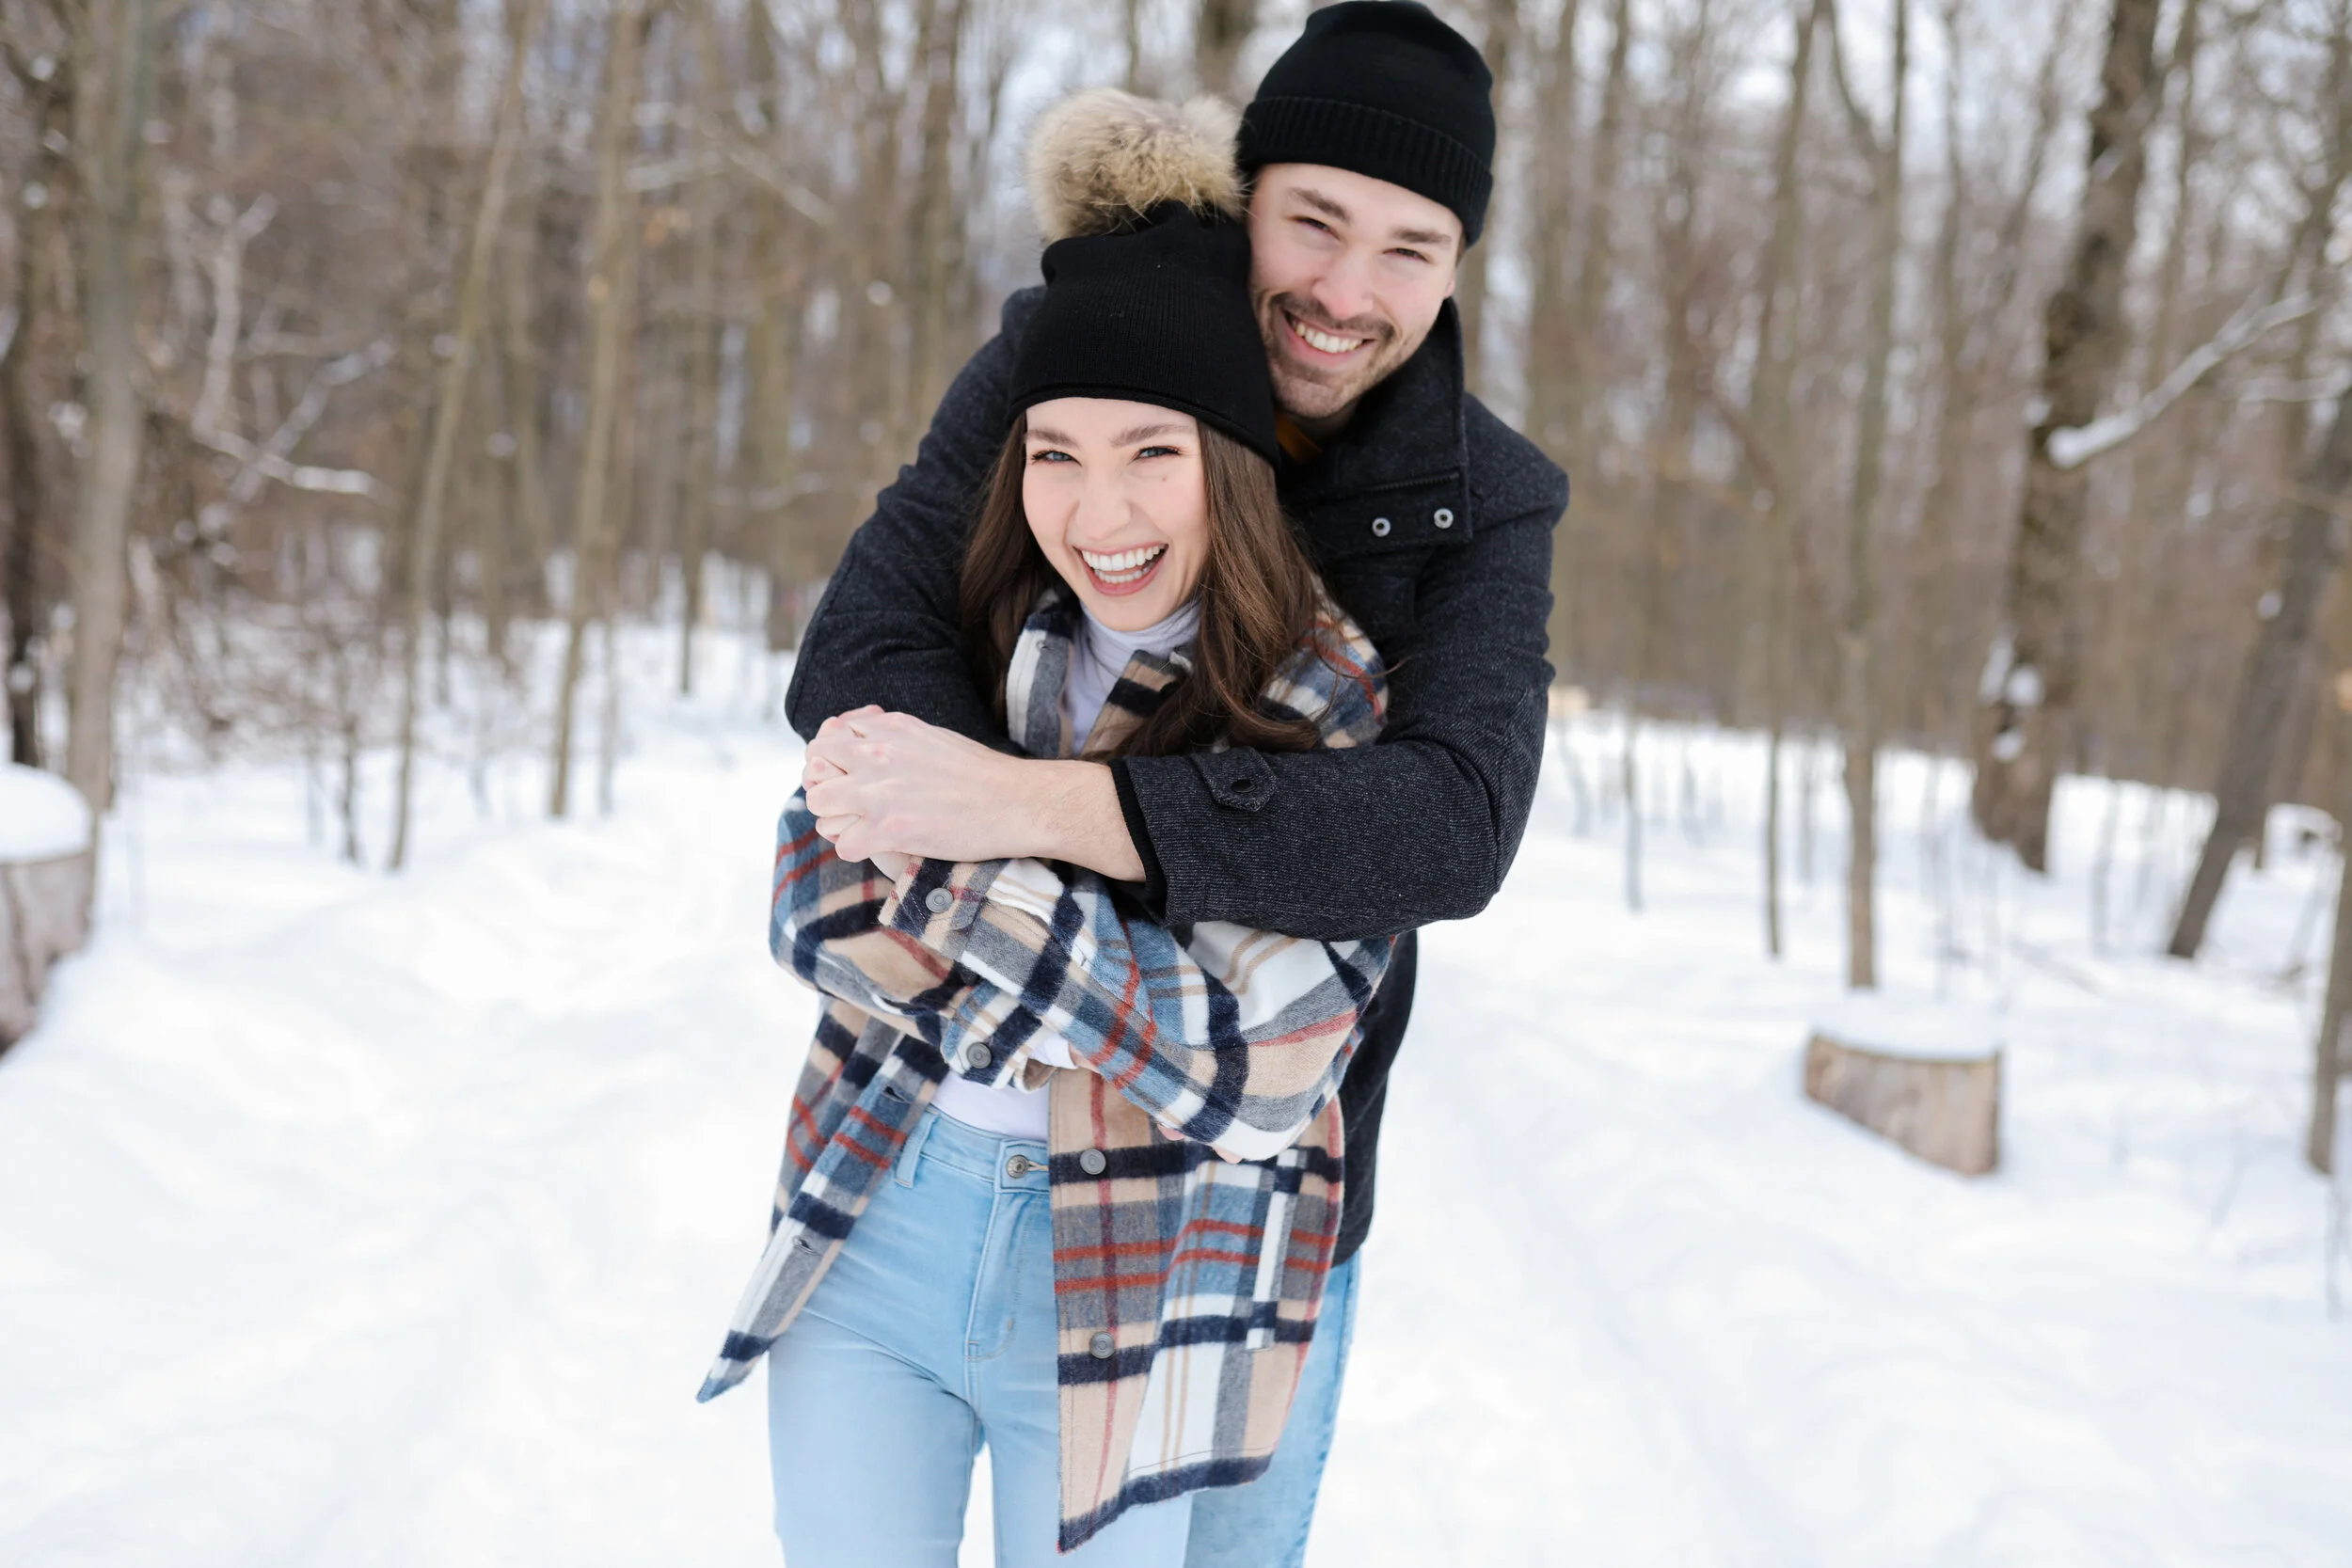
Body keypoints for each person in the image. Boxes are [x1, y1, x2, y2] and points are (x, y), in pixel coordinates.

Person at [784, 6, 1566, 1564]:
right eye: (1315, 222)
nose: (1346, 293)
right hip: (955, 1138)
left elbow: (1452, 827)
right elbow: (863, 642)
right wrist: (946, 838)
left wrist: (1025, 812)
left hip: (1251, 1201)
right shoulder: (1075, 350)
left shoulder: (1483, 503)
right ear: (1242, 193)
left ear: (1456, 267)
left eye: (1408, 249)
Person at [701, 92, 1400, 1566]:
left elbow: (1269, 1063)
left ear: (1233, 460)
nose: (1097, 510)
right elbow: (809, 899)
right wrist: (1117, 971)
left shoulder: (1324, 692)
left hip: (1139, 1282)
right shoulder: (983, 623)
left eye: (1152, 452)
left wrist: (969, 845)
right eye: (1055, 452)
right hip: (881, 1213)